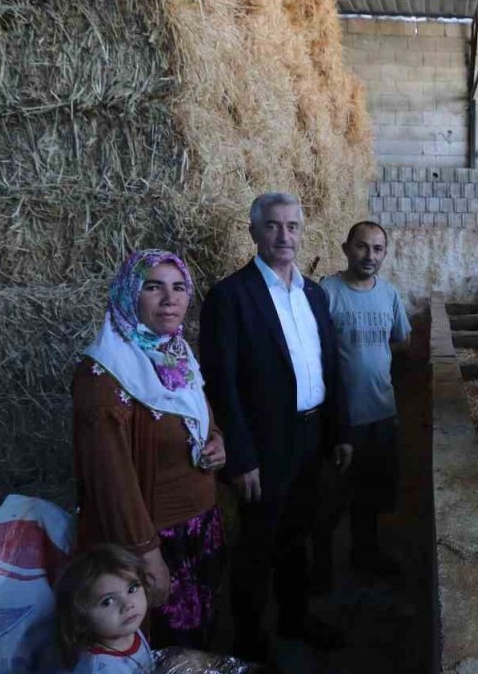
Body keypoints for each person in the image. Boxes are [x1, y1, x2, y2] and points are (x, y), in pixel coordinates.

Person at [199, 192, 352, 660]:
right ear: (254, 232)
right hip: (264, 444)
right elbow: (222, 383)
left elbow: (330, 366)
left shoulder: (314, 293)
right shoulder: (231, 296)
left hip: (311, 435)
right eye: (272, 226)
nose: (284, 236)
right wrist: (241, 457)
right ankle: (249, 638)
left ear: (302, 231)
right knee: (258, 541)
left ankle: (294, 617)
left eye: (292, 226)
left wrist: (340, 430)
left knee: (299, 532)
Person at [72, 250, 227, 649]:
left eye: (179, 288)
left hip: (198, 526)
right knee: (165, 641)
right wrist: (145, 553)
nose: (169, 299)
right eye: (153, 287)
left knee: (200, 634)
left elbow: (197, 416)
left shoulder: (176, 354)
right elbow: (112, 479)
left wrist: (217, 441)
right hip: (155, 539)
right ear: (129, 294)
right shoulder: (104, 375)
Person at [316, 221, 411, 579]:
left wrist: (372, 358)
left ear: (384, 253)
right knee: (329, 498)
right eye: (361, 246)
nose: (369, 255)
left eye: (377, 249)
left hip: (381, 413)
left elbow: (402, 340)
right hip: (341, 419)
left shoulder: (388, 294)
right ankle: (321, 568)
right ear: (345, 248)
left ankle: (364, 555)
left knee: (371, 494)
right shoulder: (326, 291)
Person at [55, 544, 156, 674]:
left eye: (132, 589)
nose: (127, 605)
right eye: (107, 601)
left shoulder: (128, 629)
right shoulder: (100, 668)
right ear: (80, 617)